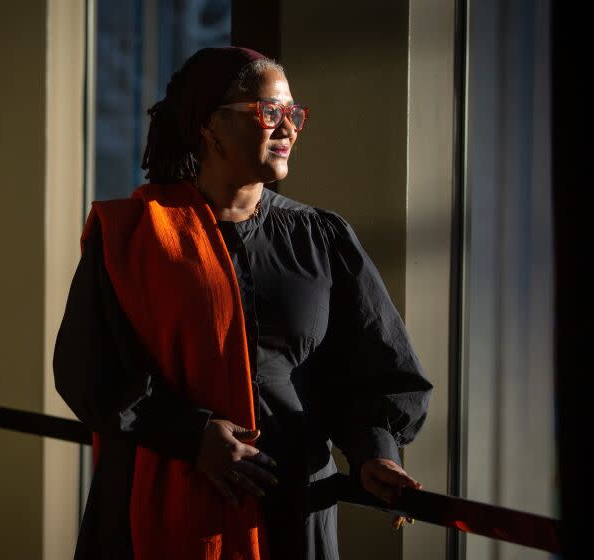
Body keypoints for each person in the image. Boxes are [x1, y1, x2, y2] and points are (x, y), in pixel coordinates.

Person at [53, 46, 433, 560]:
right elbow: (88, 369)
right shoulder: (135, 235)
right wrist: (192, 436)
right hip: (166, 490)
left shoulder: (321, 237)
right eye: (268, 112)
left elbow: (374, 369)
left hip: (296, 503)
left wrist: (375, 453)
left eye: (293, 114)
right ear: (209, 124)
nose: (288, 128)